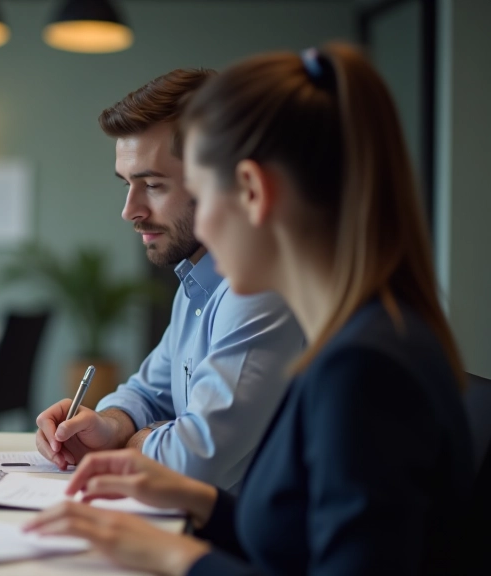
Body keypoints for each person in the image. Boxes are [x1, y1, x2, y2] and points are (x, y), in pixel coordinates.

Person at [24, 43, 475, 575]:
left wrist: (176, 554)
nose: (207, 232)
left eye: (207, 196)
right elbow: (301, 538)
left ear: (254, 193)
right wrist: (198, 500)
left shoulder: (360, 369)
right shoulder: (359, 333)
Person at [35, 70, 303, 491]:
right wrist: (107, 425)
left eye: (153, 185)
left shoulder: (258, 290)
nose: (130, 210)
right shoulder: (197, 281)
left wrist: (137, 443)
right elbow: (149, 391)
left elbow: (194, 458)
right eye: (126, 185)